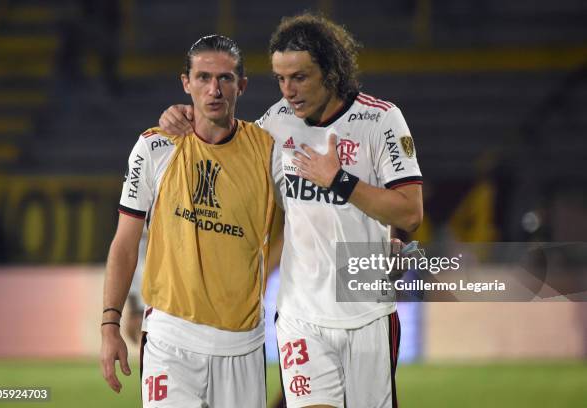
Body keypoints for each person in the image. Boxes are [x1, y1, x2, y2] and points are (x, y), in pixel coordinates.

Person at [159, 13, 423, 408]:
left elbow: (409, 213)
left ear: (331, 72)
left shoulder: (380, 120)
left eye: (299, 77)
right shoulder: (276, 124)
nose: (289, 91)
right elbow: (228, 163)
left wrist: (340, 181)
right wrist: (185, 119)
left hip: (367, 315)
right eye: (281, 79)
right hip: (300, 316)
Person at [100, 34, 279, 408]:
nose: (214, 89)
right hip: (170, 340)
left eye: (226, 78)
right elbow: (124, 244)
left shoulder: (268, 151)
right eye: (203, 77)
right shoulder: (154, 147)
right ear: (186, 83)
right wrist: (109, 325)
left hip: (242, 345)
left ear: (242, 85)